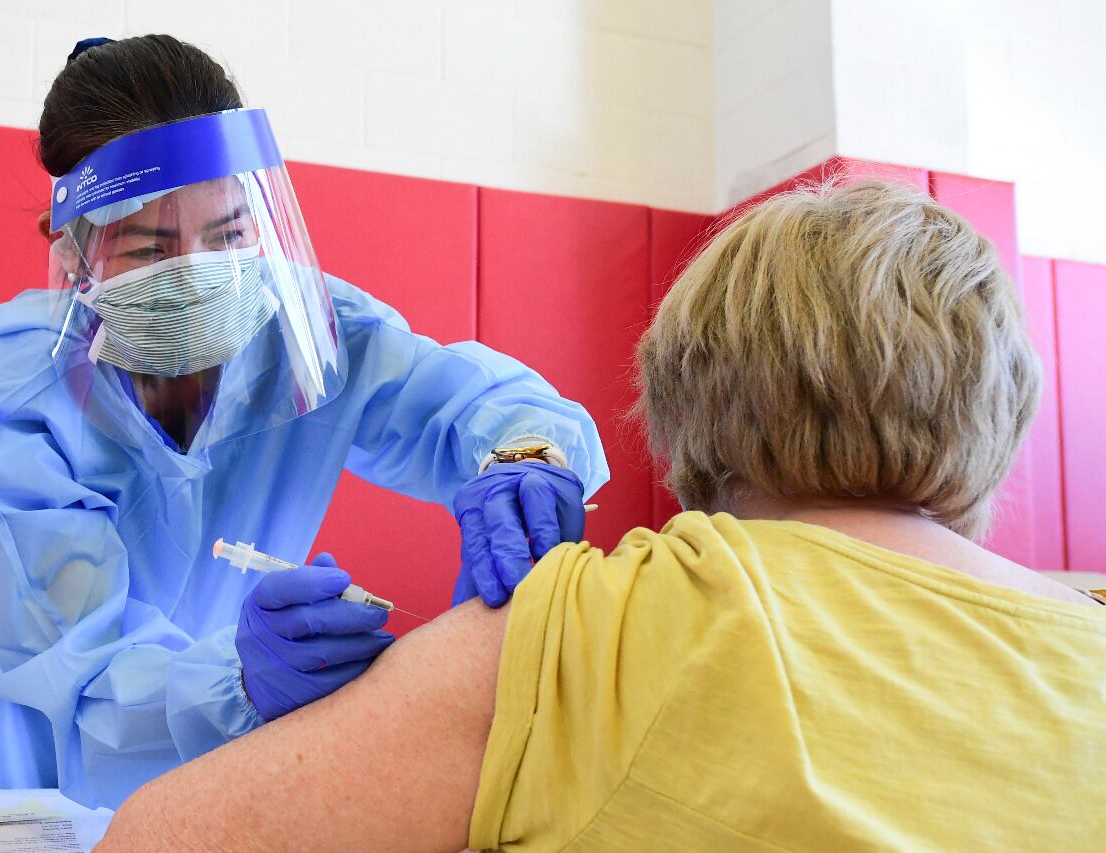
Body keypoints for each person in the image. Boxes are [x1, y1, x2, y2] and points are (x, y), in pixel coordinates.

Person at [98, 180, 1105, 851]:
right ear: (1002, 400)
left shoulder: (603, 625)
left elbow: (157, 840)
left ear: (686, 391)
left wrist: (526, 449)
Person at [0, 34, 608, 809]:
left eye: (227, 237)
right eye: (152, 250)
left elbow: (459, 400)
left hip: (224, 781)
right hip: (29, 790)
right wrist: (237, 678)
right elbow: (74, 677)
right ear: (72, 253)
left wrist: (525, 454)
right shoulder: (27, 389)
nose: (202, 276)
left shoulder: (300, 329)